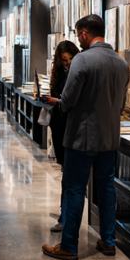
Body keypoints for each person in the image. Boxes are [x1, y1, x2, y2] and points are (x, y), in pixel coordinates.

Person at [40, 15, 129, 260]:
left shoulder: (83, 59)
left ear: (84, 34)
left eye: (79, 34)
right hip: (109, 139)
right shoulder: (121, 64)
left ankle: (68, 245)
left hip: (81, 138)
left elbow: (67, 103)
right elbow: (120, 104)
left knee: (74, 189)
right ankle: (109, 241)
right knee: (106, 188)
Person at [44, 40, 79, 232]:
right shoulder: (58, 75)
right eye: (64, 61)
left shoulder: (77, 73)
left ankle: (65, 218)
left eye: (70, 60)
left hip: (70, 127)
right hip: (59, 125)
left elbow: (71, 101)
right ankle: (64, 216)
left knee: (70, 177)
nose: (67, 64)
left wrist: (57, 100)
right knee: (66, 173)